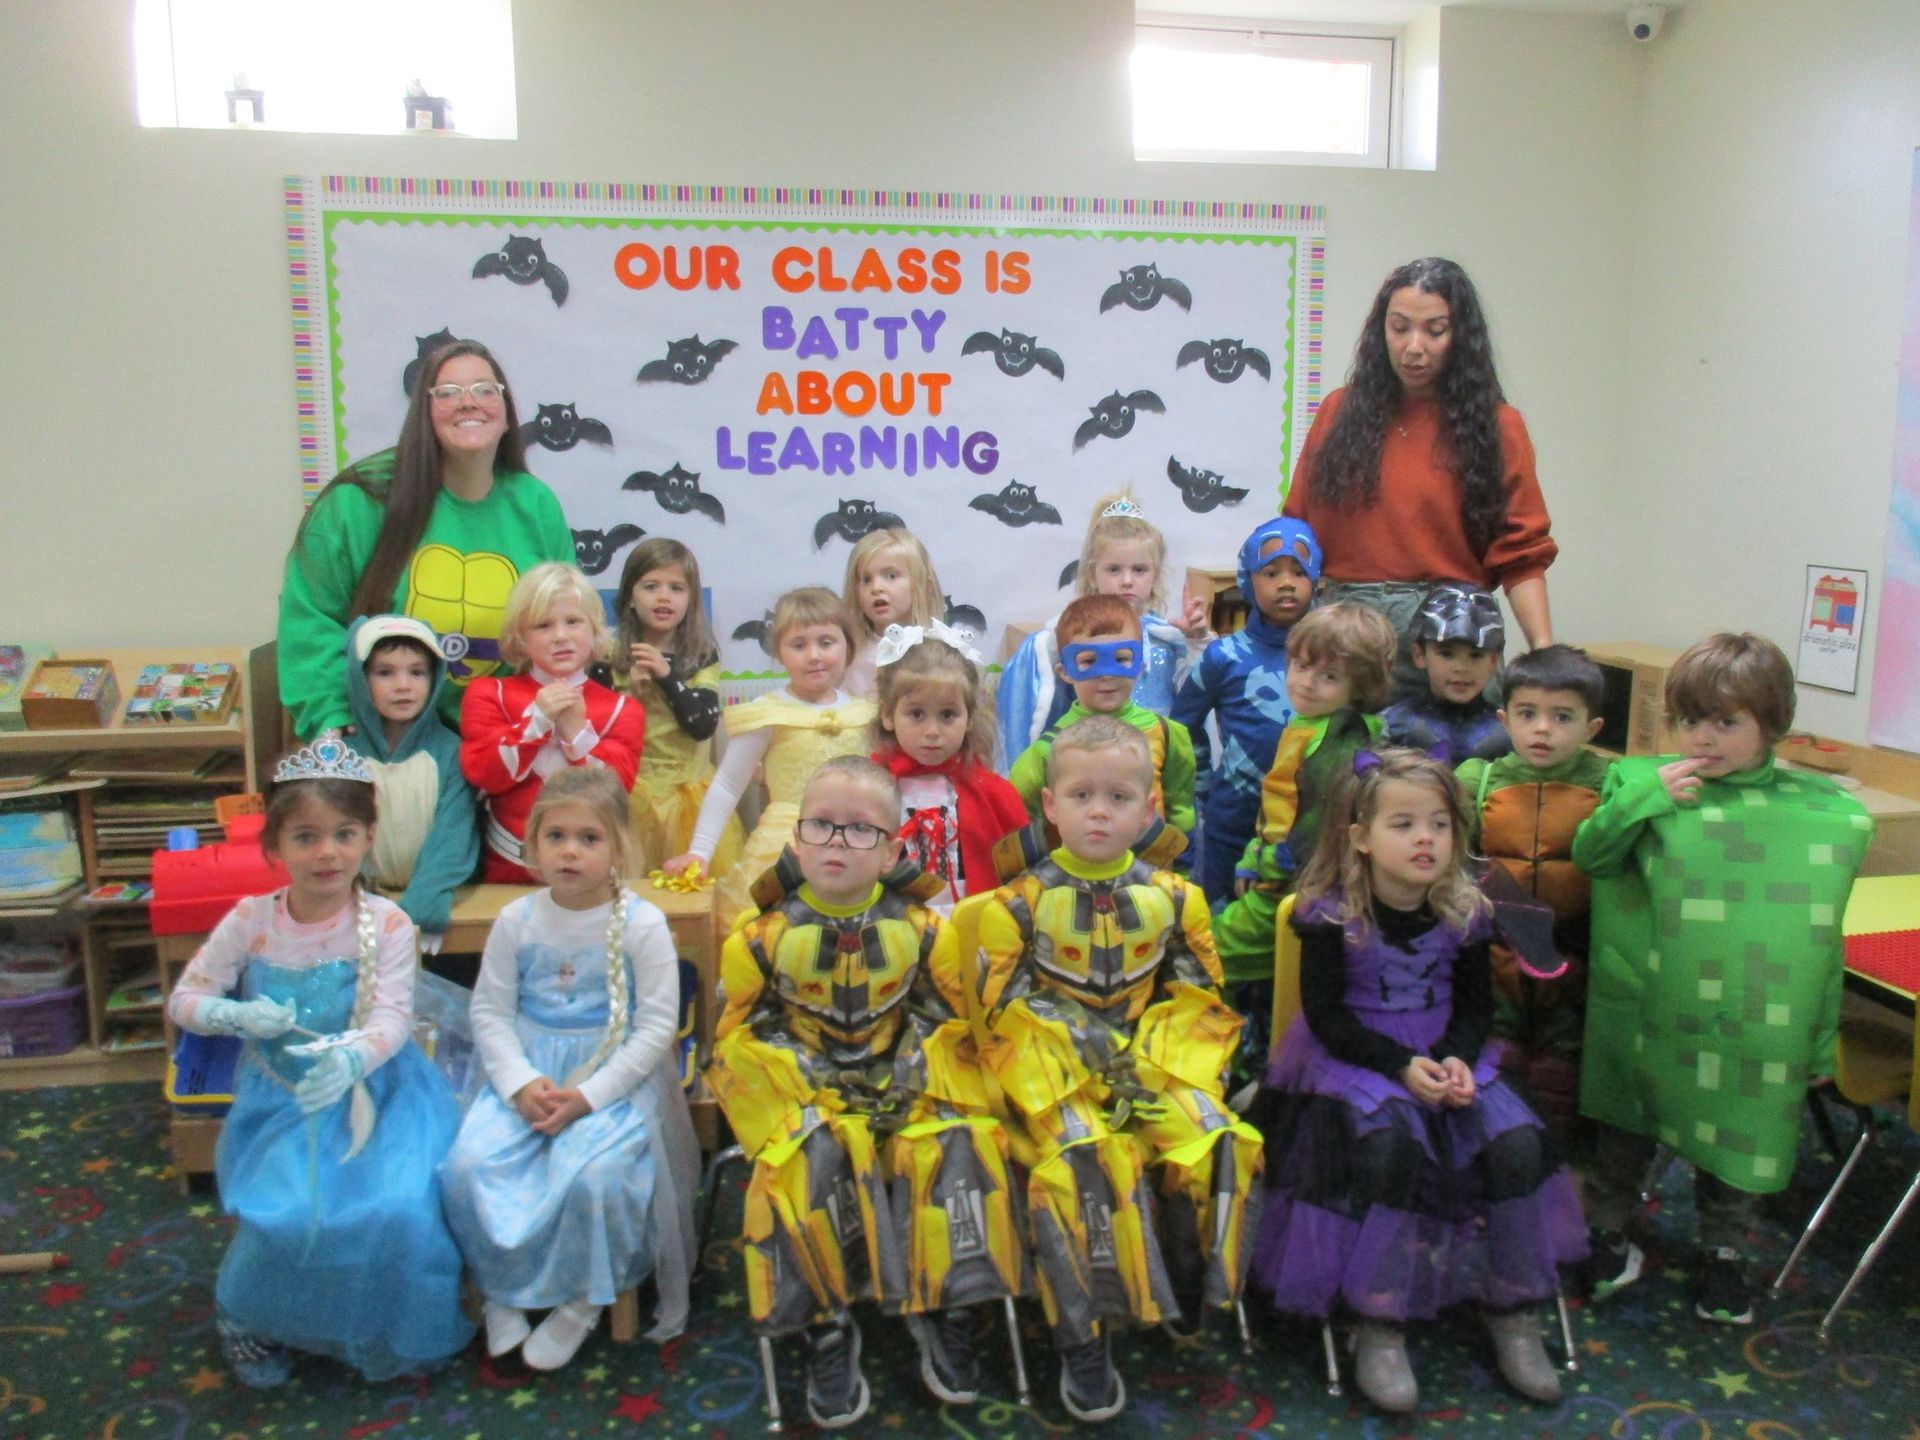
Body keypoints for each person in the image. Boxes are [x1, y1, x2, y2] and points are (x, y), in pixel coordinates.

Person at [1249, 748, 1586, 1414]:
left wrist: (1460, 1058)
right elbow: (1327, 1018)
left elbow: (1475, 1007)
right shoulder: (1330, 913)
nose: (1425, 838)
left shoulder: (1464, 907)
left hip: (1445, 1051)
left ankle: (1511, 1308)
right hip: (1354, 1061)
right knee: (1391, 1150)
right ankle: (1378, 1321)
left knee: (1515, 1143)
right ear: (1361, 840)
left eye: (1438, 824)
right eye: (1402, 825)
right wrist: (1400, 1067)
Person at [705, 757, 1023, 1429]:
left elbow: (947, 1020)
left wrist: (909, 1072)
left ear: (892, 849)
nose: (836, 843)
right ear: (796, 840)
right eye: (821, 826)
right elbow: (739, 1039)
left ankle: (947, 1304)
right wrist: (812, 1085)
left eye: (859, 831)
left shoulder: (926, 931)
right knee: (812, 1153)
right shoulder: (758, 938)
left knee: (961, 1142)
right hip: (807, 1095)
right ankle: (829, 1320)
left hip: (906, 1086)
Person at [1574, 633, 1873, 1325]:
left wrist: (1820, 1042)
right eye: (1689, 720)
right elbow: (1593, 855)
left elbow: (1818, 944)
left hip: (1748, 1019)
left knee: (1734, 1131)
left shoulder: (1821, 818)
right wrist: (1643, 798)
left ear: (1773, 726)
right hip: (1652, 1000)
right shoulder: (1647, 782)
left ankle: (1726, 1253)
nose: (1703, 738)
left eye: (1726, 722)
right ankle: (1609, 1233)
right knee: (1627, 1127)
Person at [976, 716, 1262, 1422]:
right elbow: (1002, 1006)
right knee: (1083, 1161)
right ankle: (1084, 1334)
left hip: (1154, 1064)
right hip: (1052, 1073)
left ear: (1149, 807)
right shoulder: (1017, 903)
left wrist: (1158, 1065)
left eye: (1118, 797)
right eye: (1080, 795)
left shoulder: (1175, 897)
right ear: (1050, 805)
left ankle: (1187, 1276)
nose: (1099, 810)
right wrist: (1093, 1054)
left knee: (1222, 1141)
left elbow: (1199, 995)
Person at [166, 735, 472, 1386]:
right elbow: (186, 999)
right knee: (284, 1215)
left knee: (397, 1209)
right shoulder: (251, 921)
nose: (327, 852)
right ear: (275, 847)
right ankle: (252, 1314)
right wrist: (236, 1016)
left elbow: (392, 1017)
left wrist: (352, 1060)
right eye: (305, 837)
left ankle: (383, 1314)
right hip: (283, 1099)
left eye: (344, 833)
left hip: (380, 1097)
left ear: (368, 837)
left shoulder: (387, 923)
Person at [440, 768, 699, 1368]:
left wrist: (588, 1097)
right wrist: (520, 1084)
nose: (571, 851)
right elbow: (490, 1010)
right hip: (530, 1076)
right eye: (555, 836)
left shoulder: (642, 923)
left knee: (595, 1176)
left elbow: (657, 1027)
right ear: (532, 845)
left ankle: (586, 1296)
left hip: (611, 1082)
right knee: (467, 1166)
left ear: (618, 848)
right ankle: (502, 1288)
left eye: (589, 838)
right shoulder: (516, 921)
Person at [1281, 258, 1556, 696]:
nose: (1414, 347)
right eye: (1400, 327)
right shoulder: (1338, 412)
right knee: (1341, 761)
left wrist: (1544, 652)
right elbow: (1295, 530)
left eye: (1435, 330)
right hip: (1348, 631)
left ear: (1460, 337)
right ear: (1380, 331)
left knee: (1455, 761)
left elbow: (1521, 554)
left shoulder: (1498, 426)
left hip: (1452, 635)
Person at [279, 340, 573, 738]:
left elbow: (566, 625)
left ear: (506, 416)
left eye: (485, 390)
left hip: (507, 740)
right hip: (383, 738)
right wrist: (332, 721)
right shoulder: (359, 500)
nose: (469, 403)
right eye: (448, 393)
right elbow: (311, 620)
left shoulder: (535, 505)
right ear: (423, 413)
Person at [1454, 644, 1613, 1135]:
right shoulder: (1479, 782)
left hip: (1574, 954)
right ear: (1505, 718)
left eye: (1562, 716)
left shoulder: (1611, 786)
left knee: (1560, 1070)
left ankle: (1555, 1168)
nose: (1542, 729)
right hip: (1496, 952)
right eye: (1527, 714)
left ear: (1592, 729)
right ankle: (1497, 1150)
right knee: (1497, 1059)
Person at [1212, 603, 1396, 1001]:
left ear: (1359, 688)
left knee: (1217, 950)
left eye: (1328, 676)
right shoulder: (1308, 724)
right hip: (1276, 867)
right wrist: (1253, 853)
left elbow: (1321, 817)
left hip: (1301, 880)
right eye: (1300, 666)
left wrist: (1271, 861)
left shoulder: (1339, 738)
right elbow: (1279, 801)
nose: (1307, 683)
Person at [664, 587, 875, 927]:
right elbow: (728, 785)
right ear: (779, 651)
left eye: (826, 642)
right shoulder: (767, 712)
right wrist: (699, 852)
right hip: (786, 848)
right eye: (799, 644)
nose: (814, 655)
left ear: (848, 646)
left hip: (855, 843)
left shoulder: (865, 713)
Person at [459, 563, 643, 883]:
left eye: (573, 622)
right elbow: (485, 774)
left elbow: (614, 792)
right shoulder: (489, 693)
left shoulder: (623, 710)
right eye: (543, 626)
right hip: (506, 873)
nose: (561, 636)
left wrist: (577, 734)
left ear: (595, 630)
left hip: (593, 878)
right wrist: (537, 722)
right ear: (520, 638)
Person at [1172, 517, 1322, 903]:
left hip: (1310, 824)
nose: (1286, 582)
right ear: (1247, 580)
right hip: (1231, 821)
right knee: (1224, 927)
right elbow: (1182, 726)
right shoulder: (1223, 656)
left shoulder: (1331, 658)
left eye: (1299, 572)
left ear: (1316, 579)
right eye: (1271, 572)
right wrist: (1201, 786)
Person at [995, 491, 1208, 762]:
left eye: (1139, 569)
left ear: (1155, 575)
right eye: (1114, 569)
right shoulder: (1071, 640)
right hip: (1089, 761)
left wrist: (1195, 642)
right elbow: (1041, 706)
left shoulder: (1166, 641)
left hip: (1152, 765)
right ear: (1092, 574)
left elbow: (1194, 701)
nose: (1127, 581)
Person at [867, 621, 1027, 914]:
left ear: (969, 718)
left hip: (971, 921)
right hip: (894, 924)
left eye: (948, 715)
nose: (932, 731)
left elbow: (1018, 872)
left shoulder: (992, 792)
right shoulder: (867, 788)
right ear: (888, 714)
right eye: (916, 714)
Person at [1007, 594, 1197, 842]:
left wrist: (1179, 863)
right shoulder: (1049, 748)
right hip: (1074, 874)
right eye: (1089, 661)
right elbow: (1014, 809)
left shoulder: (1167, 734)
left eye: (1121, 659)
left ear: (1139, 663)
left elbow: (1180, 808)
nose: (1107, 674)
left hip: (1150, 871)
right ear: (1064, 672)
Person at [342, 616, 480, 951]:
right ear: (361, 679)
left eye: (417, 672)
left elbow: (452, 838)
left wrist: (421, 906)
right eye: (385, 672)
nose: (403, 685)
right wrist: (359, 898)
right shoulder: (343, 757)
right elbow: (338, 832)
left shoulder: (451, 752)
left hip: (431, 907)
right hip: (361, 911)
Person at [613, 538, 741, 876]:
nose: (664, 596)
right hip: (629, 794)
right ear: (628, 597)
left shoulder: (699, 656)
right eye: (651, 586)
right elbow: (597, 731)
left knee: (691, 894)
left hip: (689, 797)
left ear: (691, 600)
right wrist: (629, 699)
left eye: (676, 588)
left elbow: (702, 725)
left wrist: (668, 677)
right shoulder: (607, 656)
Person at [1381, 583, 1512, 764]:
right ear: (1419, 655)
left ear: (1493, 661)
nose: (1461, 668)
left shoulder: (1511, 731)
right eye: (1446, 654)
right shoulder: (1392, 725)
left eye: (1476, 655)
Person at [841, 528, 945, 697]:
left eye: (891, 576)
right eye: (866, 579)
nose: (876, 588)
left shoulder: (943, 653)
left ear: (920, 581)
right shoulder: (851, 657)